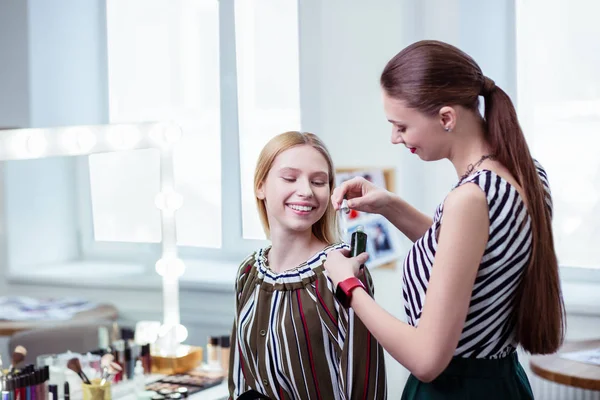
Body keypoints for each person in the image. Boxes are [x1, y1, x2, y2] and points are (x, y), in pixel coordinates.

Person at [323, 40, 565, 399]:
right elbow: (469, 257)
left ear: (446, 118)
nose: (394, 138)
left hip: (457, 389)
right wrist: (390, 205)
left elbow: (426, 359)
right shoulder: (525, 173)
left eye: (401, 126)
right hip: (501, 383)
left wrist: (348, 287)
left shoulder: (469, 198)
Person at [228, 131, 387, 400]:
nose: (306, 191)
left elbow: (365, 386)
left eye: (318, 181)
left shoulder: (342, 271)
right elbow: (239, 379)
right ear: (260, 186)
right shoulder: (248, 272)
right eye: (290, 178)